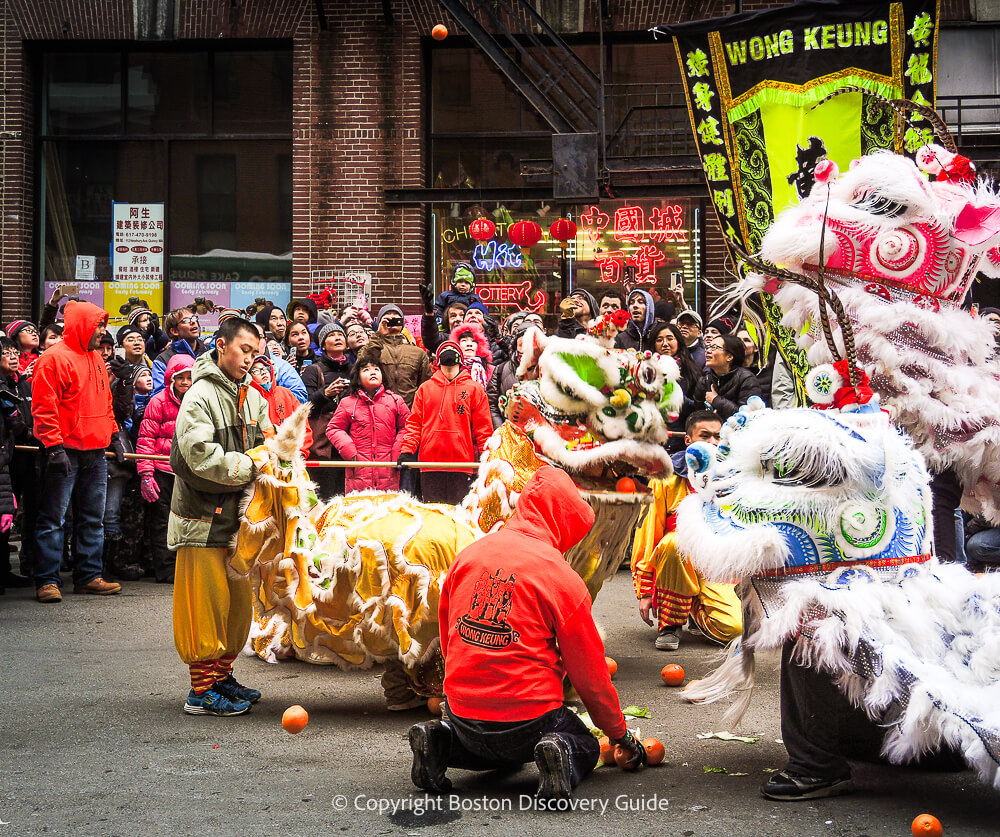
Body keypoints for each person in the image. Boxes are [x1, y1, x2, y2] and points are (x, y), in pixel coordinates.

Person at [408, 465, 647, 798]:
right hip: (529, 722)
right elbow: (590, 675)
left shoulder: (469, 556)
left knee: (489, 755)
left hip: (462, 715)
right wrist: (620, 735)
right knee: (583, 745)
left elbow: (451, 641)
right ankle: (557, 750)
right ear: (564, 522)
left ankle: (441, 742)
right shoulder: (561, 576)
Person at [169, 315, 272, 716]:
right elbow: (198, 456)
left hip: (238, 522)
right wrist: (252, 465)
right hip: (202, 519)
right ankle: (200, 689)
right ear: (221, 345)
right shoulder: (199, 395)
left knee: (235, 605)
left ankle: (222, 677)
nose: (249, 360)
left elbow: (270, 441)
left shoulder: (255, 397)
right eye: (244, 350)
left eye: (255, 353)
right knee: (205, 604)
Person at [31, 300, 122, 603]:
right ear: (83, 325)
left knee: (92, 518)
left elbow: (105, 401)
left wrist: (115, 435)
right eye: (99, 325)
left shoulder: (95, 357)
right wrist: (53, 446)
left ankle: (88, 576)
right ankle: (47, 580)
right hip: (65, 450)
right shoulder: (53, 359)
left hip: (95, 451)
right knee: (54, 519)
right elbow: (44, 408)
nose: (103, 331)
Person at [631, 411, 742, 651]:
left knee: (733, 631)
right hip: (678, 561)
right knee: (674, 542)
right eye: (705, 436)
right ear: (688, 441)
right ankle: (671, 623)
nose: (713, 442)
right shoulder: (666, 477)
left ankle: (695, 609)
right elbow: (646, 536)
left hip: (716, 565)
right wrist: (645, 591)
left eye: (717, 437)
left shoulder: (734, 477)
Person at [398, 341, 492, 504]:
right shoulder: (425, 389)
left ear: (461, 359)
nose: (449, 353)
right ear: (438, 360)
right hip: (430, 463)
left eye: (452, 350)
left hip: (462, 463)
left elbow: (483, 427)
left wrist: (488, 455)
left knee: (460, 514)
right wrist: (407, 450)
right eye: (445, 350)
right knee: (434, 514)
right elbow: (414, 423)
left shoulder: (474, 389)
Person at [137, 354, 194, 584]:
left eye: (190, 377)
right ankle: (165, 569)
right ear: (172, 377)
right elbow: (145, 438)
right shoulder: (158, 401)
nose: (186, 382)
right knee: (162, 522)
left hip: (187, 472)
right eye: (181, 377)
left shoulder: (197, 402)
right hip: (162, 470)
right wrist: (146, 473)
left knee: (187, 521)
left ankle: (183, 567)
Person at [327, 359, 410, 493]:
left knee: (387, 511)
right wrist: (349, 450)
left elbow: (407, 427)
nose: (373, 372)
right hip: (358, 470)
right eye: (366, 370)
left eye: (376, 369)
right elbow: (334, 428)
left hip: (388, 470)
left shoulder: (395, 400)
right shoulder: (347, 403)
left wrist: (397, 452)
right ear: (357, 379)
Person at [300, 322, 353, 499]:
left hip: (349, 440)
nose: (337, 337)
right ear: (322, 345)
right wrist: (326, 393)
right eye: (331, 335)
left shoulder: (353, 371)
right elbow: (305, 407)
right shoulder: (313, 370)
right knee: (323, 493)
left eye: (340, 335)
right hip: (323, 445)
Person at [0, 338, 33, 588]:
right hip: (5, 459)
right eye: (6, 353)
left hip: (18, 457)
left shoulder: (18, 383)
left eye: (14, 352)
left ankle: (4, 570)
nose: (12, 356)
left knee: (7, 515)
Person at [361, 304, 432, 409]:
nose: (392, 318)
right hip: (379, 410)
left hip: (410, 411)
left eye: (396, 316)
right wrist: (379, 334)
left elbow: (426, 386)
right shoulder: (373, 348)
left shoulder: (418, 352)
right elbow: (363, 363)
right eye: (387, 316)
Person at [249, 356, 312, 457]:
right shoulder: (249, 397)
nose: (263, 372)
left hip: (292, 454)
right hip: (264, 457)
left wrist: (301, 452)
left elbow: (302, 424)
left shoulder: (285, 393)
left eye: (265, 368)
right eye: (256, 370)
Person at [691, 334, 762, 422]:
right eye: (708, 347)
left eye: (714, 348)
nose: (708, 351)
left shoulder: (746, 379)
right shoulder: (704, 381)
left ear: (729, 357)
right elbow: (696, 415)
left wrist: (716, 400)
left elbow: (747, 417)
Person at [152, 307, 209, 394]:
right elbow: (160, 396)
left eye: (194, 318)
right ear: (174, 331)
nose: (193, 322)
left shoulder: (209, 353)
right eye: (186, 320)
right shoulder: (163, 360)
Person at [451, 321, 492, 390]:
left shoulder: (490, 370)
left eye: (474, 341)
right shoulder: (451, 368)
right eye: (464, 340)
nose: (469, 344)